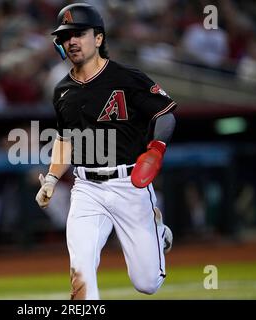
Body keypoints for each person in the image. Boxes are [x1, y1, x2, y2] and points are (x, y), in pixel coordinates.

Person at [36, 3, 176, 300]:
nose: (71, 41)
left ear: (98, 38)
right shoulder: (62, 89)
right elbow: (65, 139)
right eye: (65, 36)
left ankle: (157, 230)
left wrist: (157, 148)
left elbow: (165, 114)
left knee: (147, 283)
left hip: (130, 184)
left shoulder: (127, 77)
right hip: (86, 188)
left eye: (79, 33)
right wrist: (51, 178)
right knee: (81, 270)